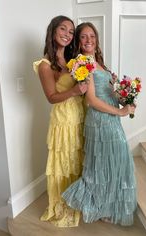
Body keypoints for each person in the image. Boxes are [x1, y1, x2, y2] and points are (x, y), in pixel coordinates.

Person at [62, 22, 137, 226]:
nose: (89, 40)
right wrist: (121, 112)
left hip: (110, 117)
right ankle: (100, 205)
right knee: (106, 163)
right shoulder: (82, 62)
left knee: (113, 162)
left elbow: (110, 93)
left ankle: (108, 205)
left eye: (92, 36)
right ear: (78, 41)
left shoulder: (99, 62)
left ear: (96, 39)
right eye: (84, 37)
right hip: (100, 121)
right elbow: (91, 100)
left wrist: (126, 99)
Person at [33, 15, 87, 227]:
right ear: (53, 31)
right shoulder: (46, 65)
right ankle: (64, 203)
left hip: (78, 115)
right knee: (64, 162)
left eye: (71, 31)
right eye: (63, 29)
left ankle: (78, 198)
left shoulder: (73, 59)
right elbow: (51, 98)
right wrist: (74, 90)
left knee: (76, 158)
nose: (67, 34)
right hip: (63, 120)